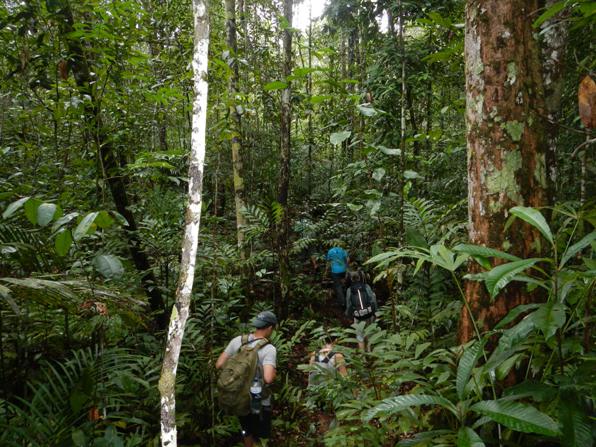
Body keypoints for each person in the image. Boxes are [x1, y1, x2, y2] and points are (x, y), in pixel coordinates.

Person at [216, 311, 278, 447]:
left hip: (238, 396)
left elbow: (219, 364)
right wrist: (274, 373)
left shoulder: (238, 341)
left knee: (246, 429)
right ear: (270, 328)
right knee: (262, 433)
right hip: (258, 400)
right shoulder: (269, 349)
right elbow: (268, 379)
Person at [345, 270, 377, 350]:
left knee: (360, 336)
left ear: (350, 279)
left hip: (358, 315)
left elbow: (349, 305)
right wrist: (375, 312)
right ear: (360, 277)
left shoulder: (349, 290)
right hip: (368, 314)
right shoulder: (366, 286)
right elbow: (373, 300)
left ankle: (363, 358)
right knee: (369, 333)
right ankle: (370, 354)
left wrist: (349, 316)